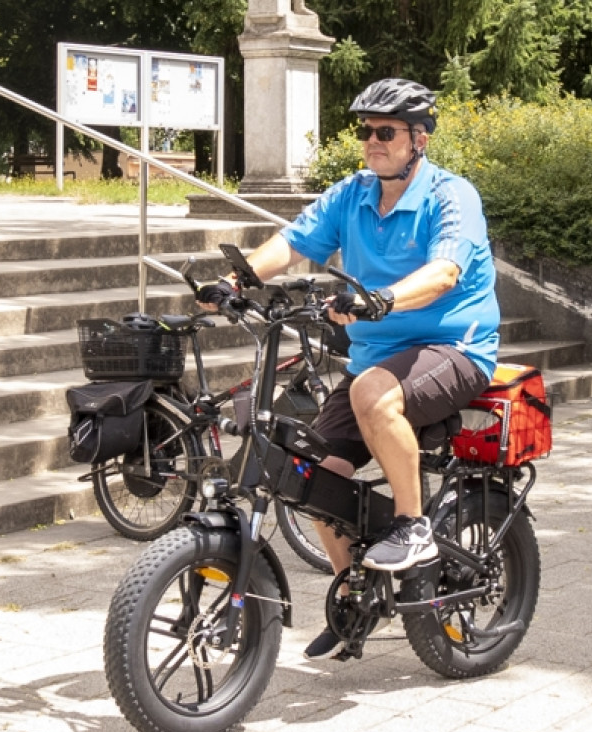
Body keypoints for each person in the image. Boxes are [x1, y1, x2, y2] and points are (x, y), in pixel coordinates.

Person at [202, 78, 500, 660]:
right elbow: (292, 243)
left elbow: (444, 273)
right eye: (366, 131)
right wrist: (239, 279)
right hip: (379, 361)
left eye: (385, 131)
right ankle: (355, 596)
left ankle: (413, 526)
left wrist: (381, 299)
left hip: (455, 347)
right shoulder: (353, 194)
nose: (371, 141)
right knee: (311, 474)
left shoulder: (451, 196)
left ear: (419, 139)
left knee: (372, 394)